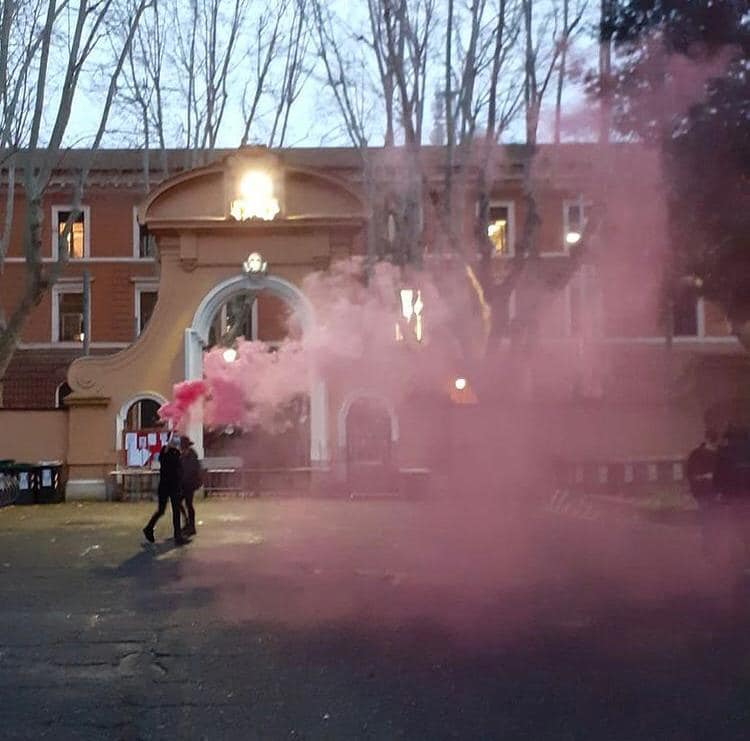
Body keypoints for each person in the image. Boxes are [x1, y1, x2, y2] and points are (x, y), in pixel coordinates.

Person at [143, 435, 188, 545]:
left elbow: (166, 460)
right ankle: (178, 536)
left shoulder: (164, 452)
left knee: (161, 510)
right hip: (173, 486)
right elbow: (178, 471)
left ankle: (149, 528)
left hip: (163, 486)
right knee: (175, 510)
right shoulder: (175, 454)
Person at [179, 436, 203, 537]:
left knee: (188, 504)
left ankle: (191, 526)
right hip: (185, 484)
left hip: (190, 484)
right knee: (179, 503)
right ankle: (188, 523)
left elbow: (191, 471)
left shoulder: (192, 456)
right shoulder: (183, 456)